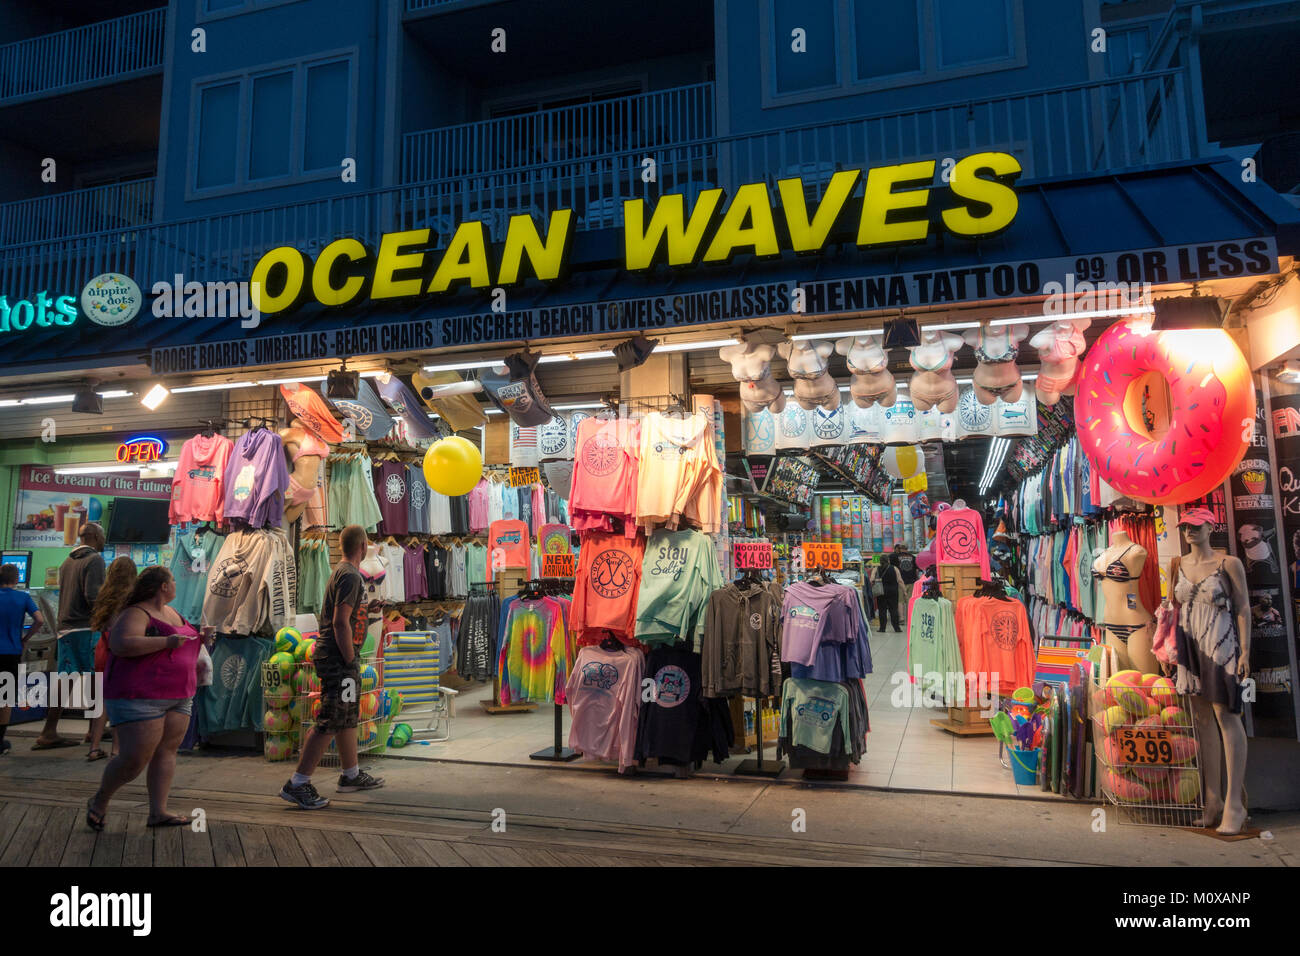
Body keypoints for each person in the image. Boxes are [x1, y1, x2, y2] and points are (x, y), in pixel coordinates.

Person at [85, 567, 207, 831]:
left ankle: (158, 811)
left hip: (179, 694)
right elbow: (122, 643)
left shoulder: (173, 612)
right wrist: (165, 643)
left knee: (166, 752)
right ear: (163, 586)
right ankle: (100, 801)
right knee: (134, 759)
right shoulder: (136, 613)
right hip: (141, 695)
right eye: (173, 580)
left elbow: (182, 642)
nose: (176, 584)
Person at [280, 524, 384, 809]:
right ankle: (298, 783)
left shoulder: (343, 573)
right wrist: (350, 659)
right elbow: (339, 622)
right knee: (330, 717)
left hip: (339, 656)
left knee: (347, 715)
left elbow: (345, 617)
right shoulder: (351, 576)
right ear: (362, 546)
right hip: (338, 658)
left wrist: (368, 609)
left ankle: (350, 774)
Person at [35, 522, 107, 749]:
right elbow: (93, 596)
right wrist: (106, 619)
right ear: (95, 536)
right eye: (102, 536)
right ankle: (93, 730)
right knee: (95, 680)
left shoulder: (68, 561)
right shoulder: (94, 560)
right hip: (85, 628)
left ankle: (49, 730)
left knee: (65, 680)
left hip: (65, 628)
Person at [85, 556, 138, 761]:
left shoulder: (103, 595)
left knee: (102, 702)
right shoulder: (131, 598)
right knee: (119, 701)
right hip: (119, 651)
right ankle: (117, 748)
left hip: (102, 649)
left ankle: (94, 747)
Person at [0, 564, 43, 755]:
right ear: (17, 579)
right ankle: (0, 742)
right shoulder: (23, 597)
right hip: (11, 652)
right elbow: (40, 620)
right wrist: (25, 639)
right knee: (5, 698)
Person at [876, 557, 902, 633]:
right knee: (893, 609)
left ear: (880, 561)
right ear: (888, 560)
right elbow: (899, 580)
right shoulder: (894, 568)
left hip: (881, 591)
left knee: (882, 610)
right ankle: (897, 628)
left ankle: (882, 628)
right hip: (893, 591)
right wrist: (904, 590)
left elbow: (871, 580)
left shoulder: (876, 569)